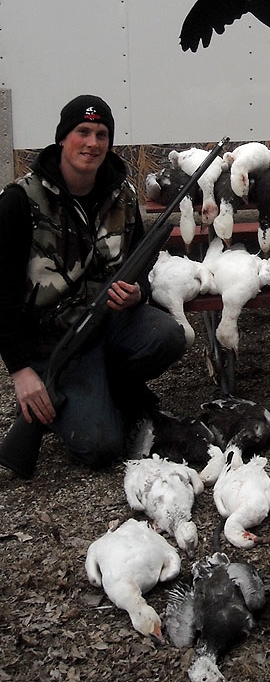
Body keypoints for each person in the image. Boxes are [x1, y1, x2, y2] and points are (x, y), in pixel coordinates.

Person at [0, 95, 187, 478]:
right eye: (82, 132)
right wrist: (21, 371)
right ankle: (50, 403)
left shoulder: (123, 196)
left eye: (101, 134)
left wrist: (138, 294)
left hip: (108, 325)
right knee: (101, 447)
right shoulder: (19, 201)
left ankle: (104, 388)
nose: (92, 143)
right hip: (51, 343)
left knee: (168, 334)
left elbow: (139, 265)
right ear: (62, 138)